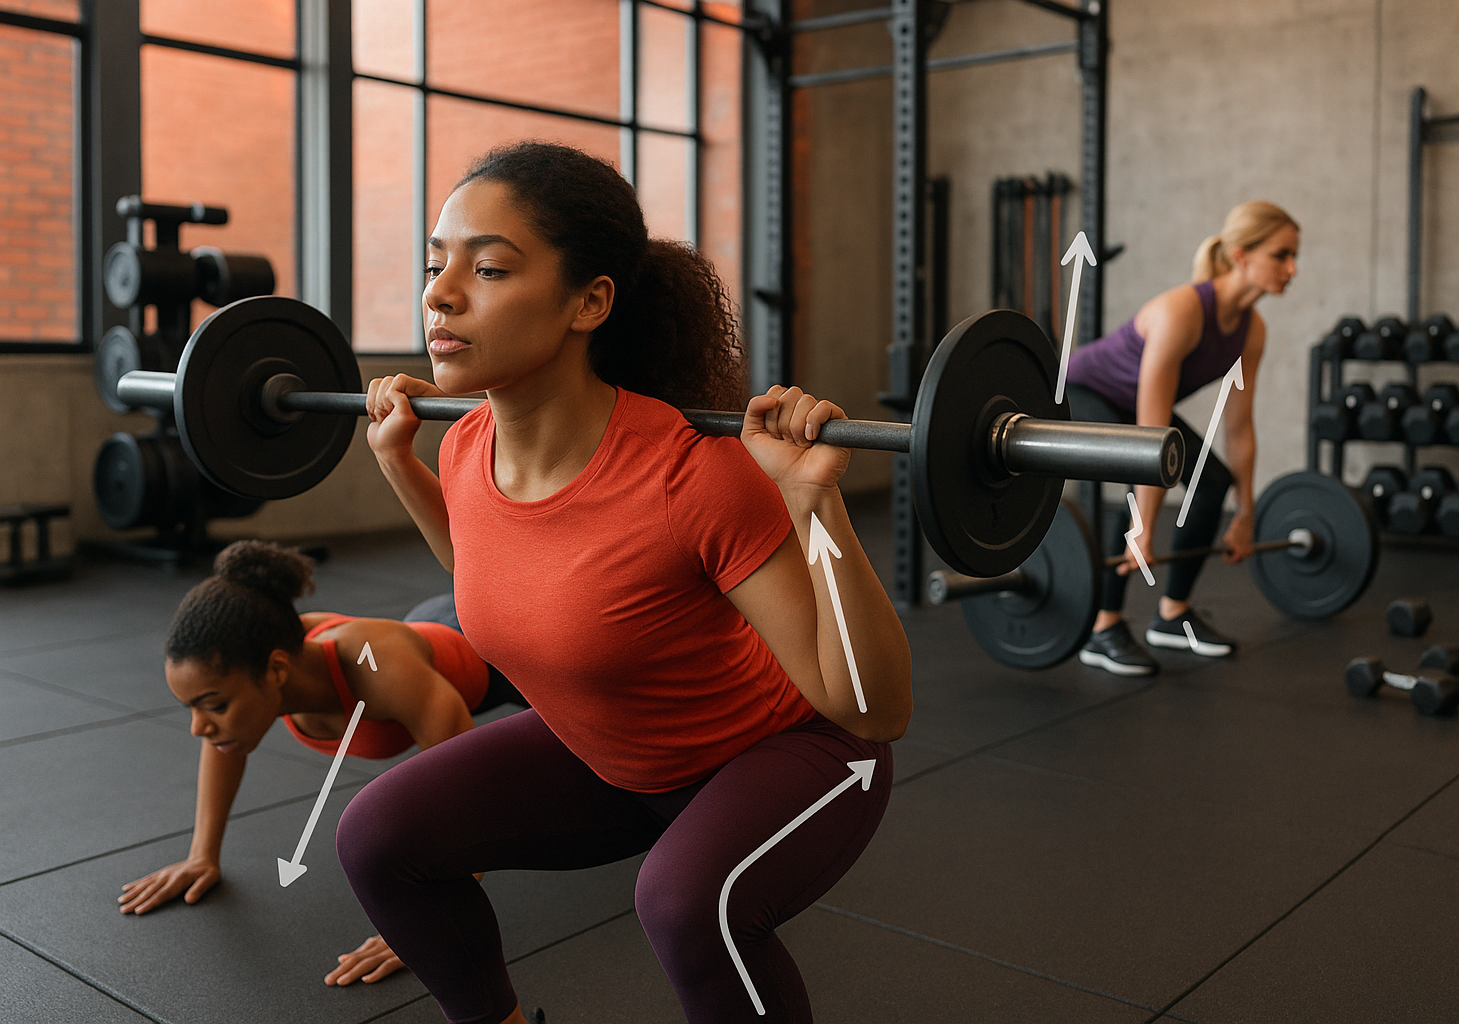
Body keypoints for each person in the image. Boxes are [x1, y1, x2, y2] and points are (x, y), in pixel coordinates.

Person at [341, 141, 912, 1024]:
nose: (440, 293)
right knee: (379, 837)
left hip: (796, 757)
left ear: (590, 301)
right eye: (434, 262)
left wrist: (813, 504)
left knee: (687, 904)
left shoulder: (690, 474)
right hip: (619, 764)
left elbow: (867, 710)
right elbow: (501, 577)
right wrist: (400, 466)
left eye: (487, 267)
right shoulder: (463, 447)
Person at [118, 540, 524, 986]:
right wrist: (201, 857)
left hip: (504, 647)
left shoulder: (379, 670)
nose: (200, 727)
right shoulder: (274, 654)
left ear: (275, 670)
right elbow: (220, 744)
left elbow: (473, 798)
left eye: (212, 705)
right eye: (191, 708)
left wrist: (429, 920)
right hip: (430, 625)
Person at [1064, 200, 1299, 676]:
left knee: (1212, 481)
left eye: (1295, 256)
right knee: (1141, 481)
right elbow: (1152, 439)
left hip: (1132, 404)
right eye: (1281, 255)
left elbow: (1238, 426)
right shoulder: (1182, 311)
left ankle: (1172, 614)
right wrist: (1145, 526)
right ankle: (1102, 626)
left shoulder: (1252, 331)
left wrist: (1247, 511)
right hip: (1078, 391)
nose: (1293, 269)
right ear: (1240, 255)